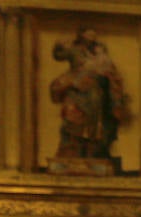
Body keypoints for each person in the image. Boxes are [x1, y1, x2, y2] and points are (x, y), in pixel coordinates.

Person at [49, 27, 130, 163]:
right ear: (82, 34)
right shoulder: (75, 48)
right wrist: (60, 43)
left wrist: (111, 82)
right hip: (76, 85)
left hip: (95, 90)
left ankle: (94, 153)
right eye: (88, 32)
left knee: (96, 121)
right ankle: (71, 152)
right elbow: (58, 55)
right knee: (72, 120)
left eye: (93, 32)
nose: (92, 35)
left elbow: (109, 68)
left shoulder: (100, 49)